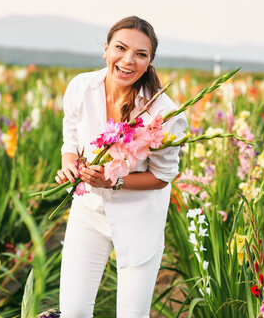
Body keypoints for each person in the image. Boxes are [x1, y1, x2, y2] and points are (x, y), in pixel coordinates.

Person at [55, 16, 188, 317]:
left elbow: (162, 177)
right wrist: (70, 168)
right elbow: (71, 142)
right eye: (121, 48)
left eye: (140, 54)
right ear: (105, 49)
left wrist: (112, 182)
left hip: (139, 219)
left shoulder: (164, 113)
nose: (128, 60)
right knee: (73, 312)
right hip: (88, 211)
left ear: (149, 61)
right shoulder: (81, 88)